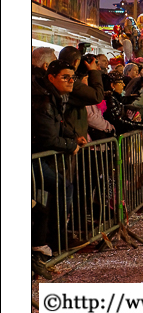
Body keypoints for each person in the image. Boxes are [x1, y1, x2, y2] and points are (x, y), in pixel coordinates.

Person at [32, 59, 87, 253]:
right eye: (65, 77)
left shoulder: (52, 97)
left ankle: (53, 238)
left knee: (58, 191)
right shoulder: (44, 100)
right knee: (62, 187)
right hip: (34, 157)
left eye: (73, 77)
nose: (71, 81)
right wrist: (70, 145)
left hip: (39, 157)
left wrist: (73, 137)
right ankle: (58, 239)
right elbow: (48, 138)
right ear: (51, 78)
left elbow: (57, 124)